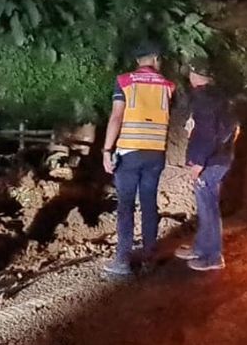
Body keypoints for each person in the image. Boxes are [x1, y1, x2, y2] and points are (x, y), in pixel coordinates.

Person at [100, 41, 175, 279]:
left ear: (138, 61)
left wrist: (106, 149)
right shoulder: (168, 86)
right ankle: (149, 257)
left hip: (129, 152)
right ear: (154, 59)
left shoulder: (124, 81)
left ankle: (122, 260)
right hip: (155, 152)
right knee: (149, 203)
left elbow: (116, 116)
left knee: (125, 205)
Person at [175, 58, 238, 272]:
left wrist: (198, 162)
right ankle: (202, 248)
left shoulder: (203, 99)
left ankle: (212, 256)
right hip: (219, 159)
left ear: (196, 75)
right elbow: (233, 128)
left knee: (208, 208)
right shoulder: (220, 97)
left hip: (210, 162)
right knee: (206, 207)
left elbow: (206, 134)